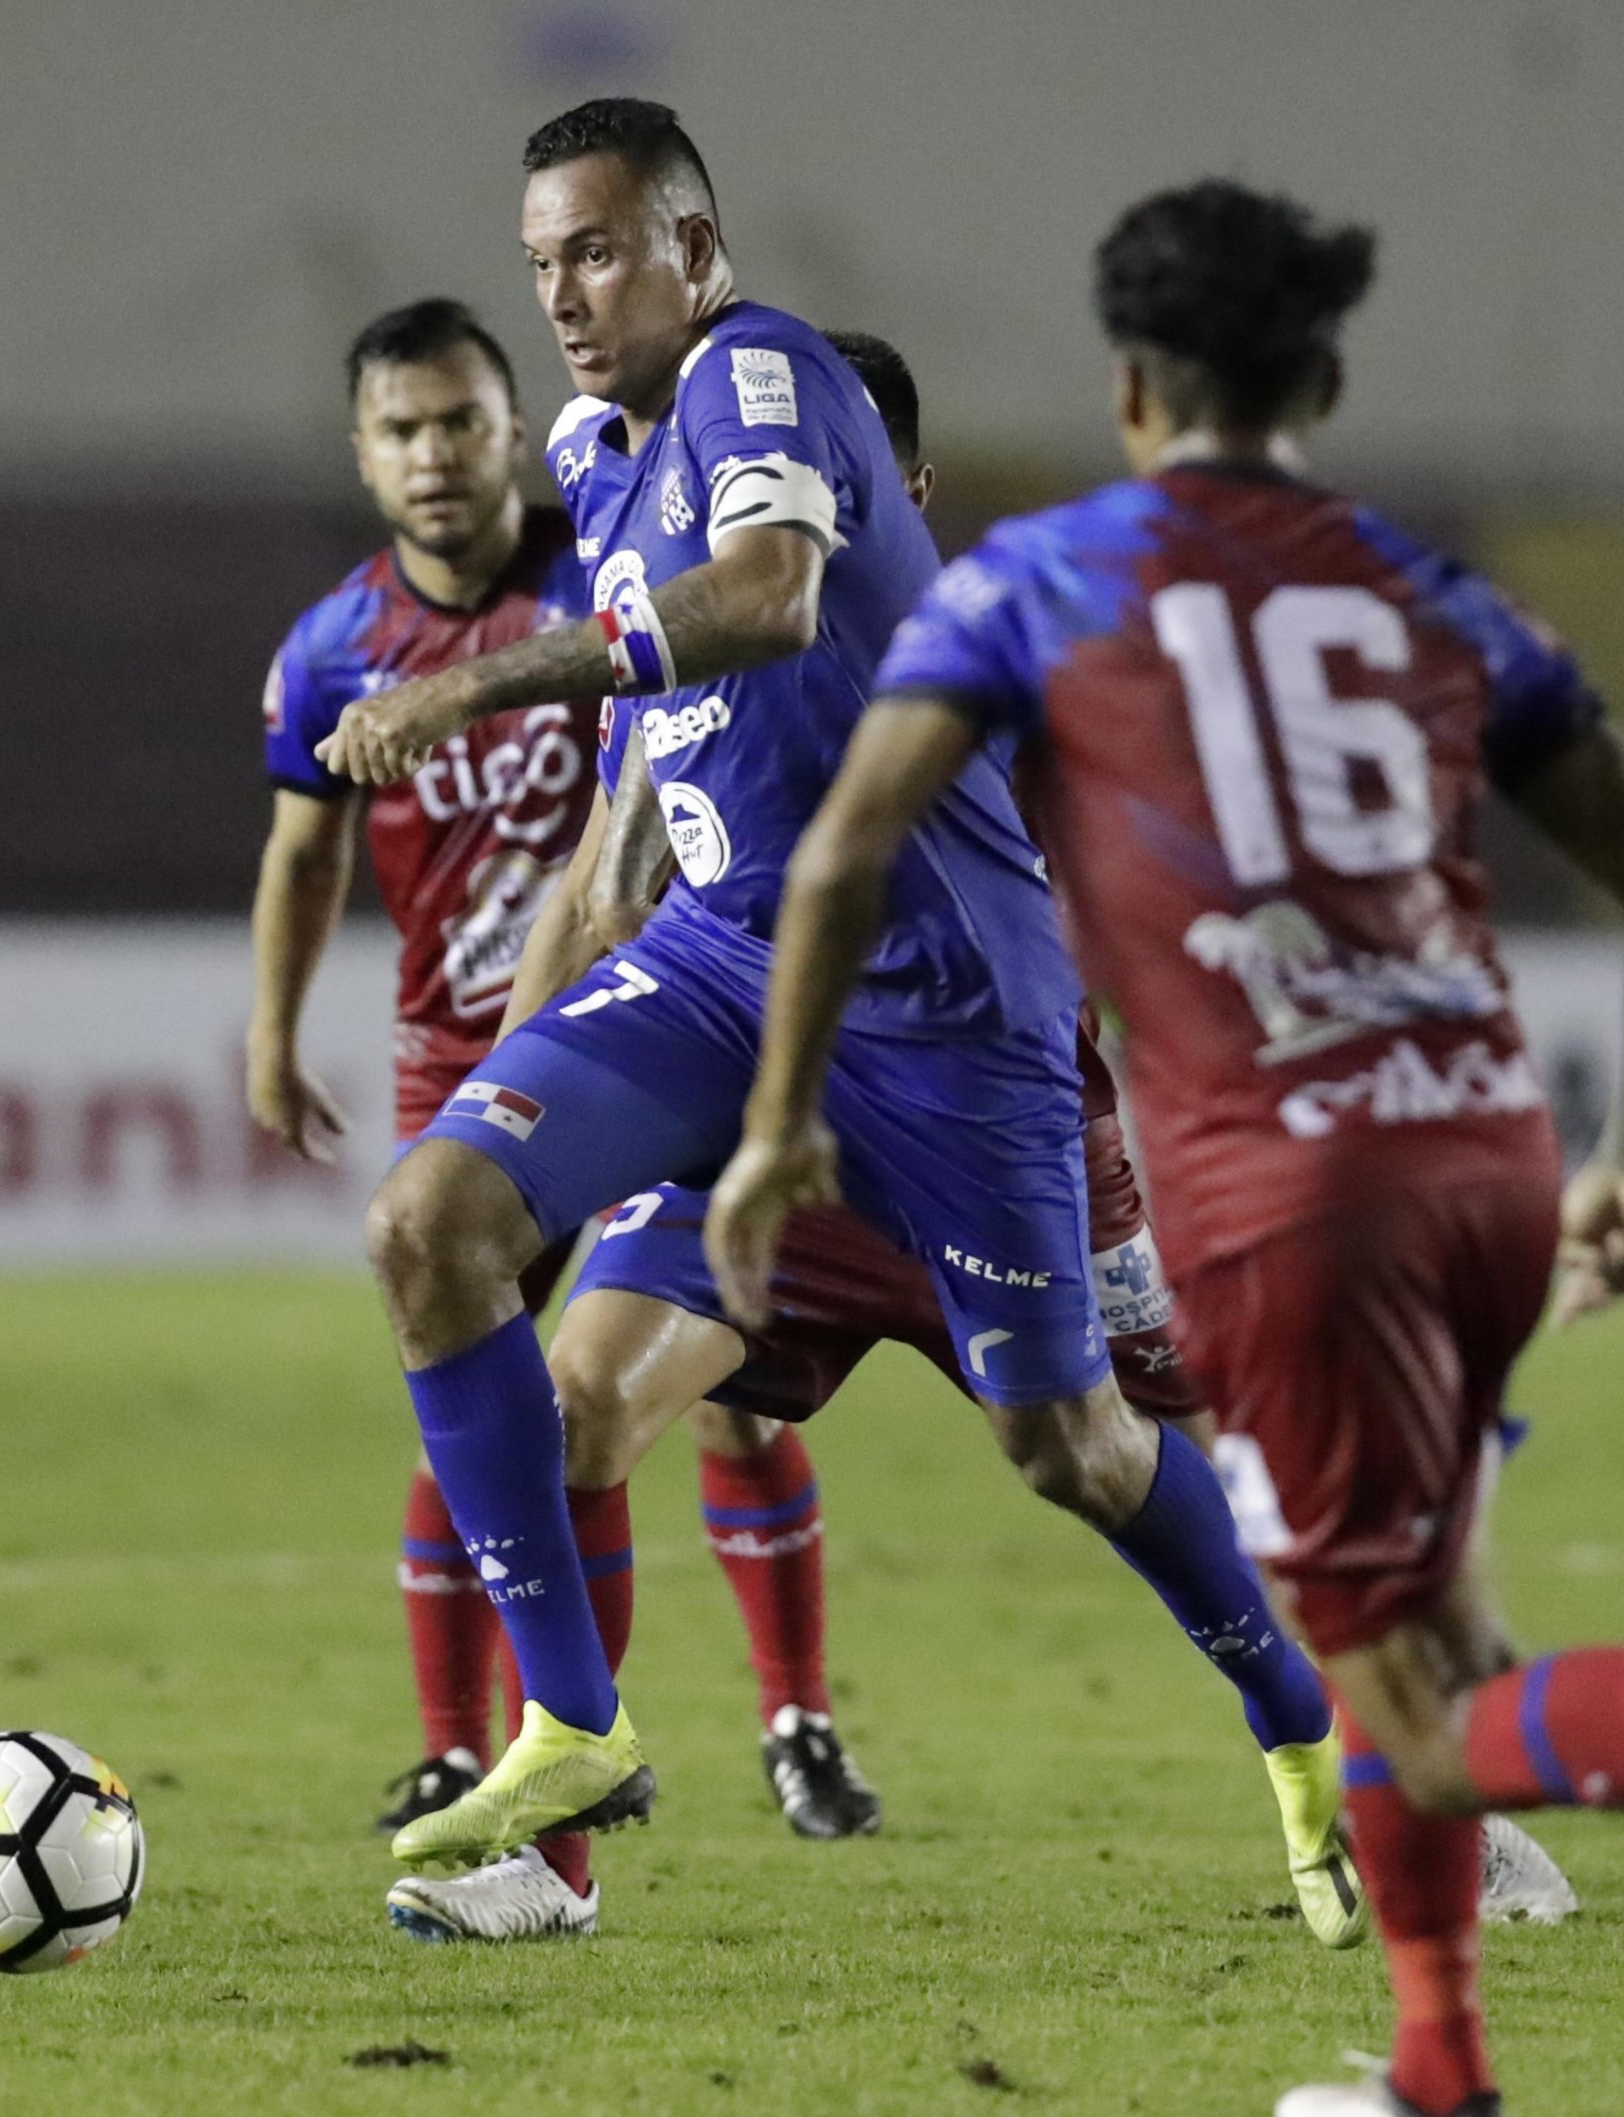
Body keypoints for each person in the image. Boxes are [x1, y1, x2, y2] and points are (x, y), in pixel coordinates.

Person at [704, 179, 1624, 2117]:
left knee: (1410, 1705)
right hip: (1485, 1152)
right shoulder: (1427, 589)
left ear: (1127, 388)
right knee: (1424, 1615)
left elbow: (837, 854)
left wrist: (783, 1114)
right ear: (1317, 380)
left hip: (1285, 1187)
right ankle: (1442, 2091)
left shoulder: (1030, 581)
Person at [319, 101, 1345, 1932]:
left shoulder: (762, 372)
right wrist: (508, 1129)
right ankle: (570, 1740)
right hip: (727, 975)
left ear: (698, 249)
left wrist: (492, 681)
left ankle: (1309, 1731)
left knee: (1077, 1447)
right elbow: (611, 858)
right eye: (543, 257)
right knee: (433, 1236)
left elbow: (774, 598)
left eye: (604, 247)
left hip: (941, 1014)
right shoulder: (611, 463)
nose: (565, 290)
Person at [249, 297, 876, 1897]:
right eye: (404, 430)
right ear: (363, 456)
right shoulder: (334, 643)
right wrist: (272, 1031)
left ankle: (795, 1719)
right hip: (486, 1051)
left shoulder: (604, 571)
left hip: (666, 1021)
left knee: (721, 1388)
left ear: (515, 425)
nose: (437, 456)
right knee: (492, 1391)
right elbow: (307, 845)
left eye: (462, 420)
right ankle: (480, 1748)